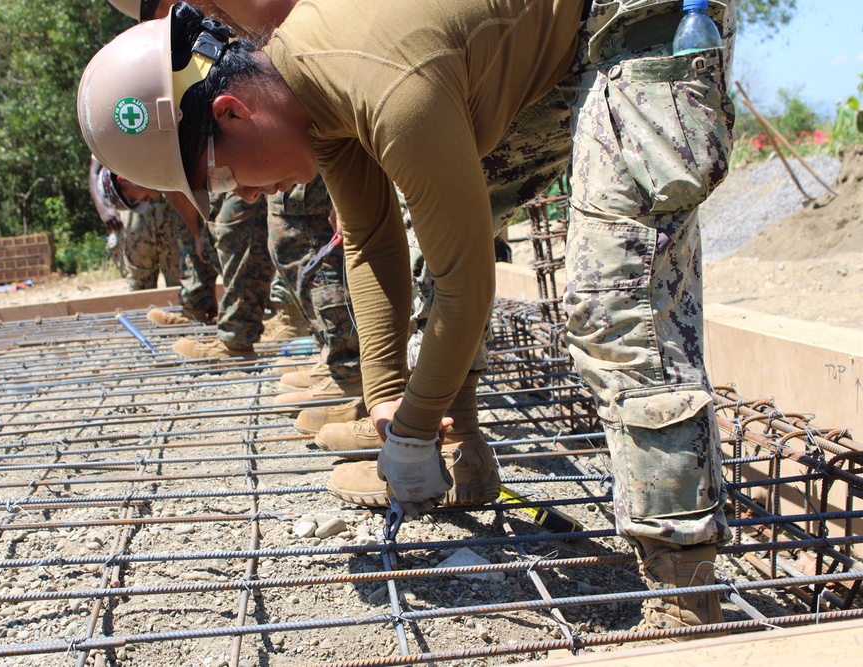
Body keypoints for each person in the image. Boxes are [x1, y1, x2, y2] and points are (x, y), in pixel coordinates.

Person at [78, 0, 737, 633]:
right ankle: (463, 450)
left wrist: (415, 424)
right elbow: (371, 241)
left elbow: (469, 284)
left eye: (222, 179)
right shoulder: (310, 94)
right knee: (435, 239)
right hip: (555, 40)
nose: (244, 196)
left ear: (233, 109)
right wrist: (387, 396)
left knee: (615, 295)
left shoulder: (384, 86)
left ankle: (686, 593)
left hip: (636, 14)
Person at [107, 0, 363, 405]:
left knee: (298, 231)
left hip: (290, 121)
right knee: (279, 231)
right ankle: (347, 366)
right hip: (284, 122)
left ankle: (360, 376)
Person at [88, 157, 219, 323]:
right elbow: (94, 169)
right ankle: (147, 321)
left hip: (172, 205)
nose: (144, 200)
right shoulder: (111, 145)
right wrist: (103, 209)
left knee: (181, 270)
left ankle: (191, 315)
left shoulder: (162, 173)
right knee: (140, 278)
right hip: (138, 213)